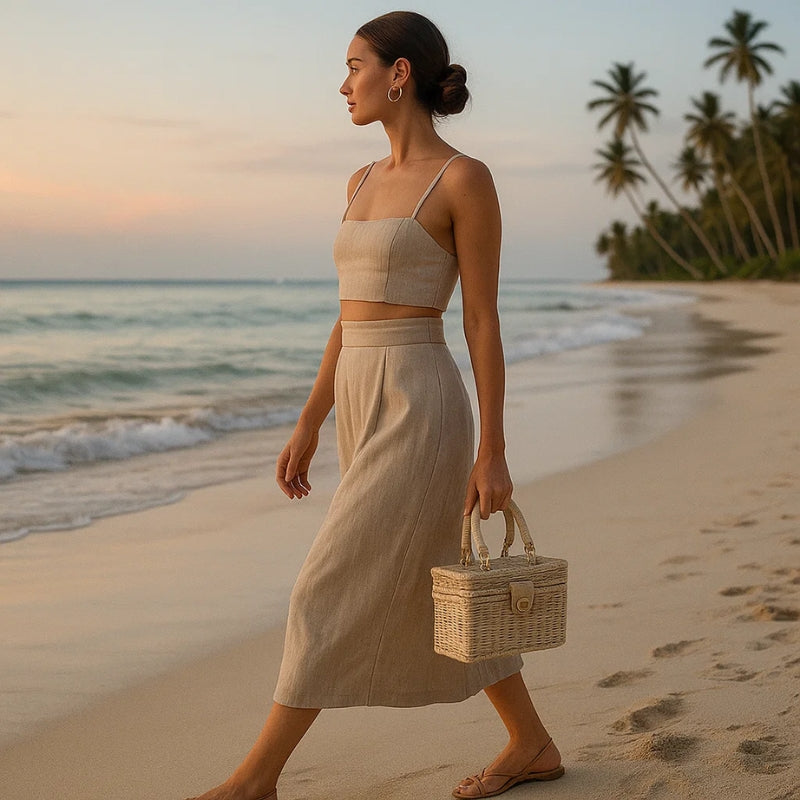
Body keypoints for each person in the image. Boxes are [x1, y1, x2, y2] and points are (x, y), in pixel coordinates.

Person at [186, 11, 562, 800]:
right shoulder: (357, 182)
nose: (342, 82)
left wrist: (492, 449)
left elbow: (483, 319)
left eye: (355, 65)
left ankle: (256, 779)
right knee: (439, 575)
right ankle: (530, 743)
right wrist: (310, 417)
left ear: (399, 76)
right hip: (358, 393)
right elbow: (348, 312)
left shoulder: (464, 178)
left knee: (324, 585)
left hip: (420, 400)